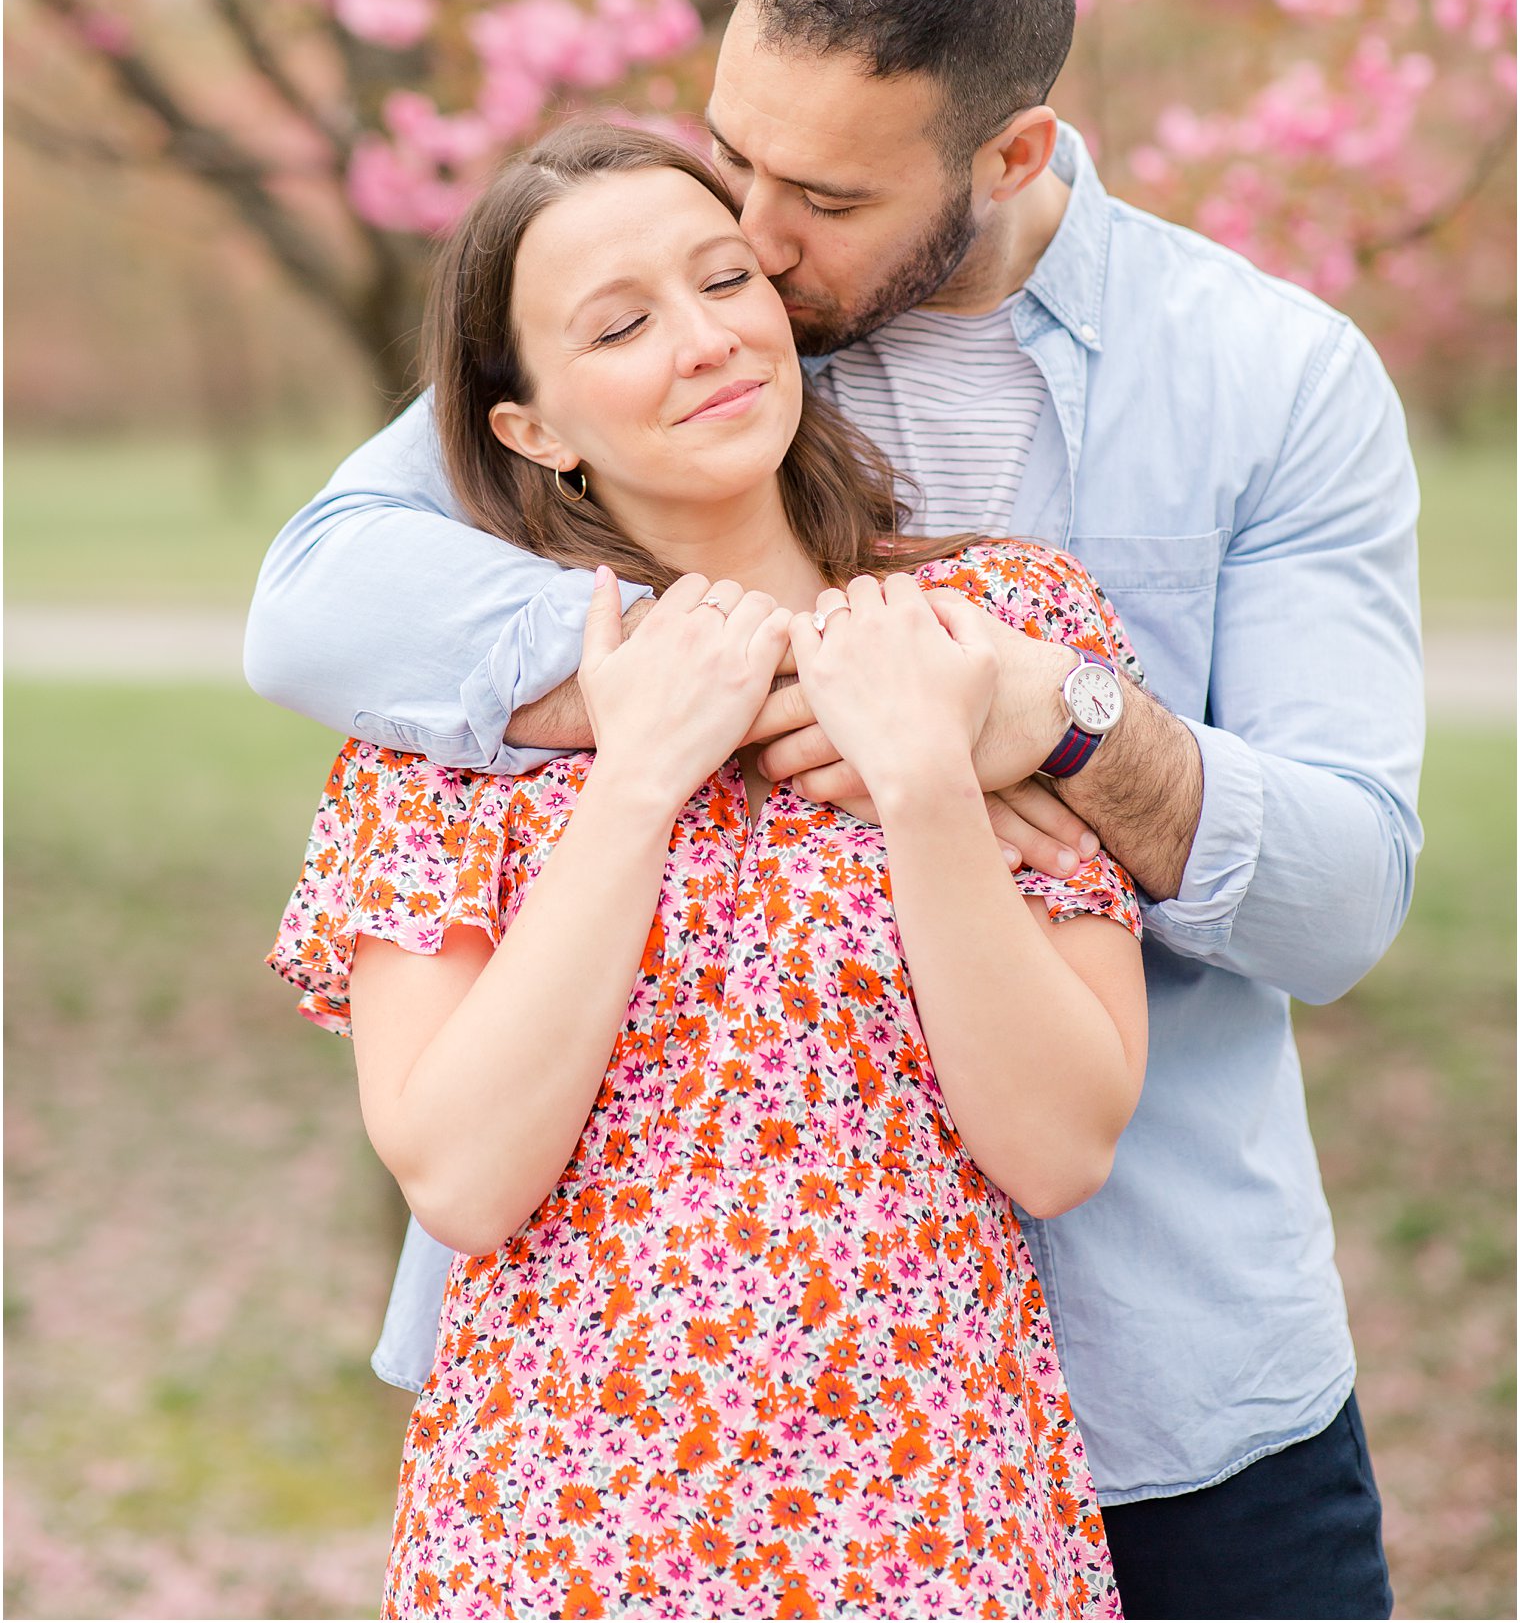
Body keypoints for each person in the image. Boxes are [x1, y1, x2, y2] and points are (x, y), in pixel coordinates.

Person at [247, 0, 1423, 1621]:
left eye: (814, 199)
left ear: (1011, 156)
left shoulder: (1275, 380)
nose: (757, 247)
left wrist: (1055, 720)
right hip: (610, 1465)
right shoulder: (684, 315)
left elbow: (1336, 898)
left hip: (1161, 1406)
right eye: (737, 160)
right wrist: (735, 684)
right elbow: (320, 599)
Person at [267, 121, 1150, 1618]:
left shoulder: (999, 631)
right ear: (531, 428)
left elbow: (1061, 1147)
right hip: (563, 1535)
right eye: (619, 324)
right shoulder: (448, 733)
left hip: (933, 1525)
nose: (705, 341)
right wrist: (638, 774)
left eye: (725, 278)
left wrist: (928, 781)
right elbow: (465, 1177)